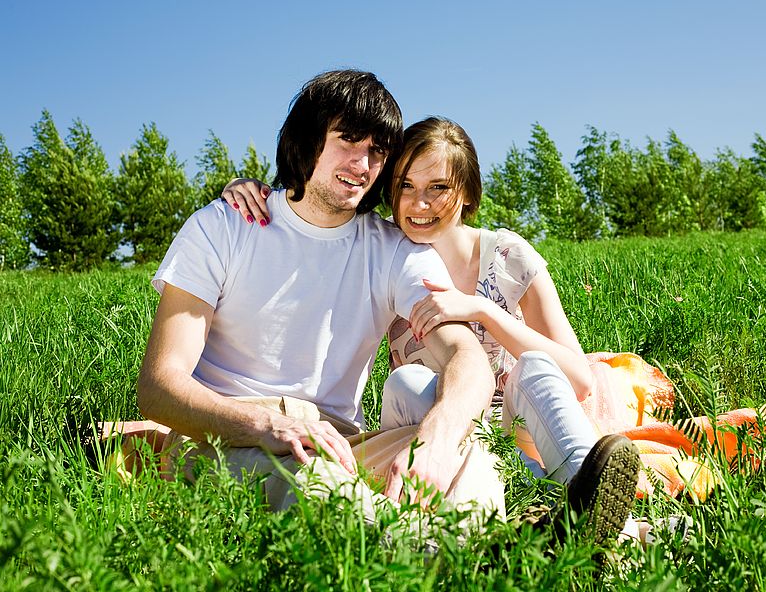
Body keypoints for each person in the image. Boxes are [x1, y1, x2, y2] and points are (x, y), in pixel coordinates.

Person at [222, 116, 642, 546]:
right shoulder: (384, 253)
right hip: (428, 422)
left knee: (534, 365)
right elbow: (316, 216)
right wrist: (250, 188)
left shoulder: (507, 256)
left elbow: (580, 379)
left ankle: (598, 503)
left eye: (437, 188)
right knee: (407, 380)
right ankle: (550, 506)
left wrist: (484, 311)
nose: (418, 204)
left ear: (467, 191)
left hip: (517, 423)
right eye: (405, 186)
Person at [135, 71, 505, 525]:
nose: (362, 163)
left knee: (469, 450)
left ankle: (491, 553)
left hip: (340, 441)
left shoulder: (395, 252)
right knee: (315, 481)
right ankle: (438, 550)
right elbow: (158, 387)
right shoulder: (222, 227)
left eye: (377, 151)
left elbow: (467, 357)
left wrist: (437, 436)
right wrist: (268, 425)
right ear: (309, 138)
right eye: (348, 140)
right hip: (224, 436)